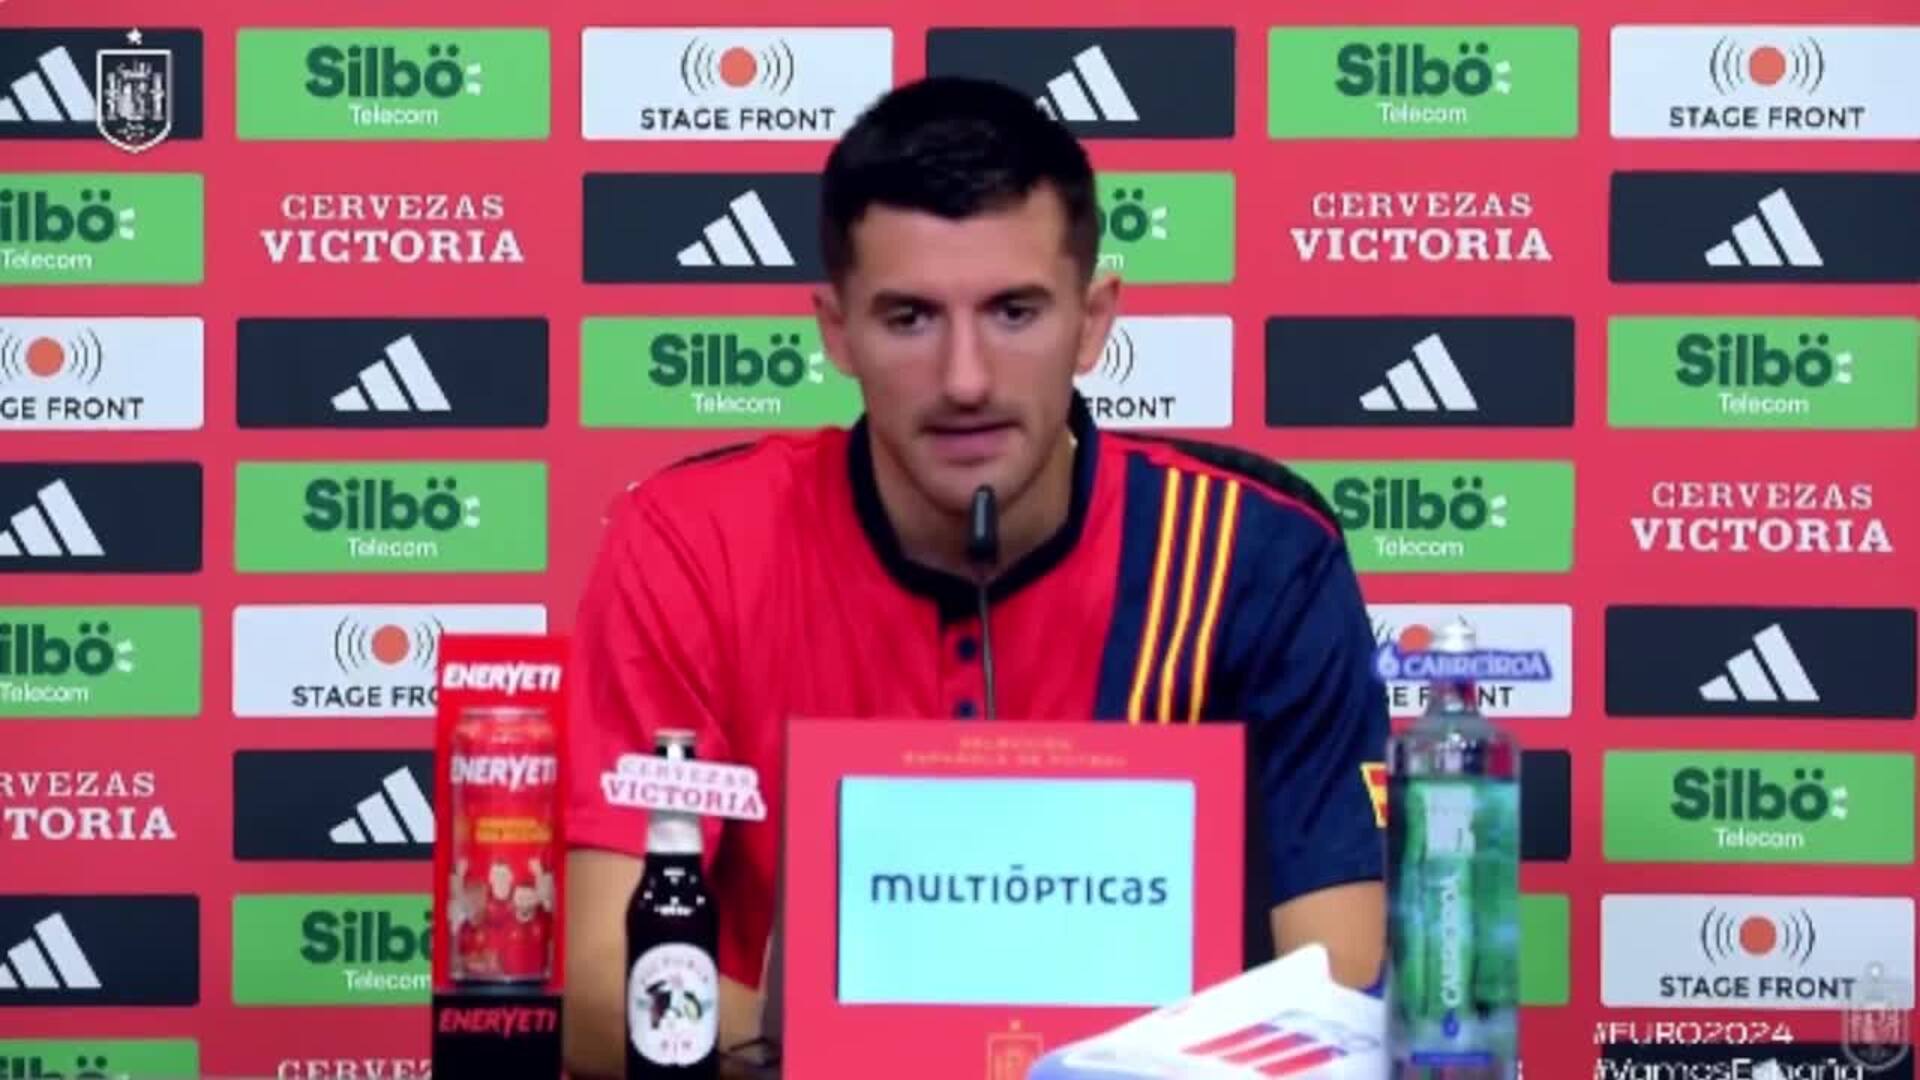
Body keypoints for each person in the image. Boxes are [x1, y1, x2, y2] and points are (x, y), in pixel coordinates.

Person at [561, 74, 1389, 1078]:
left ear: (1093, 319)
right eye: (910, 317)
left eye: (1013, 312)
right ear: (836, 330)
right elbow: (600, 988)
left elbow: (1338, 990)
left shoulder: (1251, 554)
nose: (965, 379)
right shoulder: (695, 542)